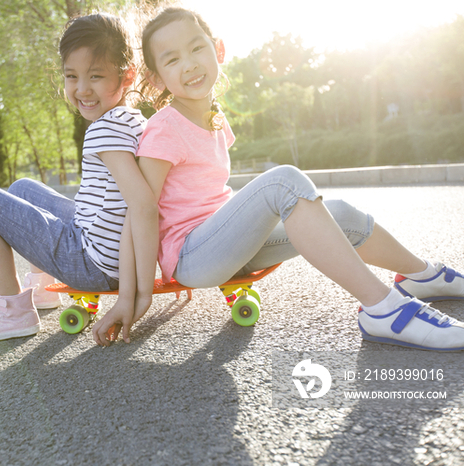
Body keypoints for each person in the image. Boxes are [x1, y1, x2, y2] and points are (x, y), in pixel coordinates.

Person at [130, 7, 464, 351]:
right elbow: (139, 212)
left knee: (341, 213)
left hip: (233, 246)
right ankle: (383, 310)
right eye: (172, 60)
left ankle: (423, 275)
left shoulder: (214, 118)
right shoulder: (163, 129)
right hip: (193, 258)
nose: (189, 64)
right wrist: (135, 295)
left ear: (218, 49)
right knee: (282, 183)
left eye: (196, 48)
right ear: (156, 79)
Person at [0, 13, 158, 344]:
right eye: (71, 76)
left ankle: (14, 312)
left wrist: (134, 295)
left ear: (127, 76)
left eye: (96, 76)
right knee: (21, 188)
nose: (82, 89)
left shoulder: (104, 129)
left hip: (94, 263)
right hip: (102, 245)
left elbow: (144, 206)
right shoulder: (131, 119)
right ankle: (43, 290)